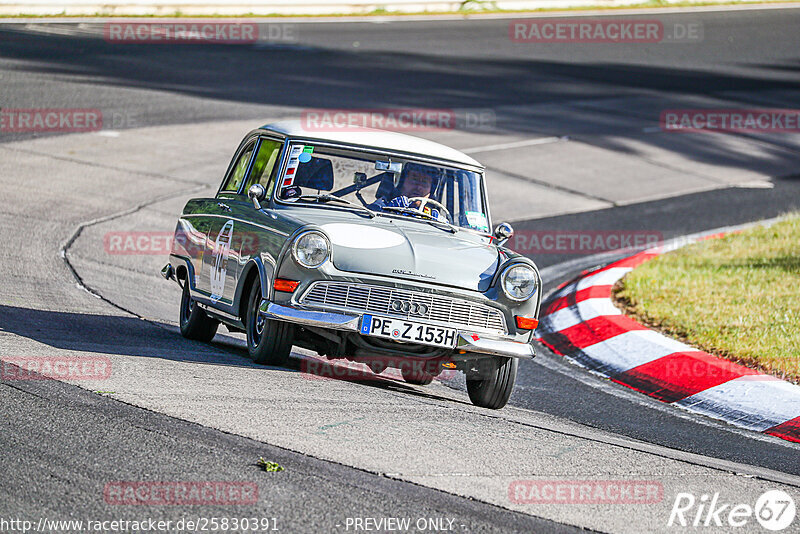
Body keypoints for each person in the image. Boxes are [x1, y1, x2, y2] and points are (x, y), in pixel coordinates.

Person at [372, 163, 447, 221]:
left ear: (431, 190)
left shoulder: (433, 216)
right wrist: (388, 212)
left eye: (425, 182)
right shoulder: (381, 206)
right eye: (414, 179)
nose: (419, 187)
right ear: (402, 182)